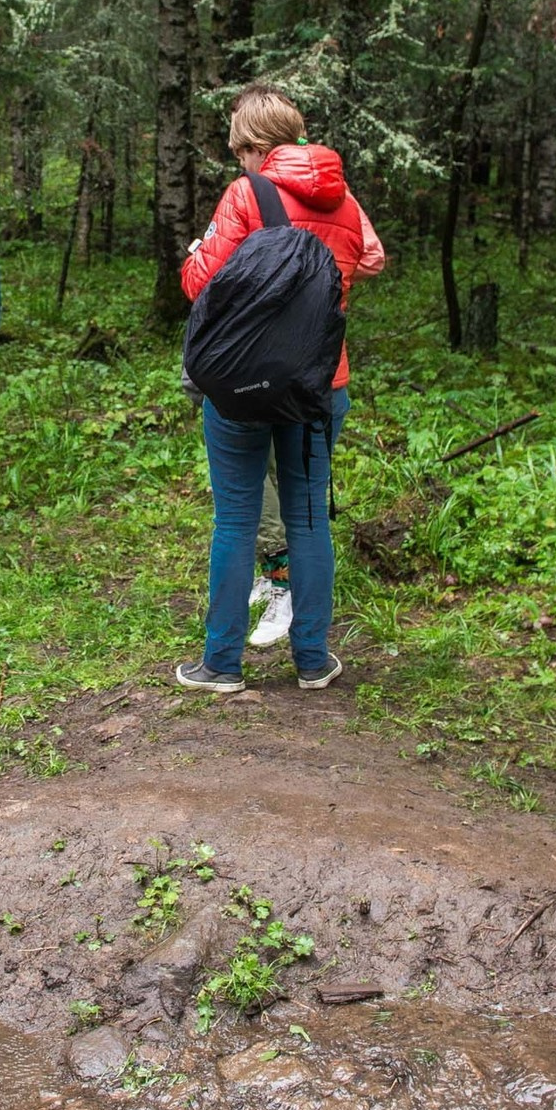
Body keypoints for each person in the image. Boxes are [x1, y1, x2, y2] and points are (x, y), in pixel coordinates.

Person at [175, 86, 385, 693]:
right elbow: (369, 260)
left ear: (249, 145)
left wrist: (200, 252)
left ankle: (221, 664)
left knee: (237, 519)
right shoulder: (343, 198)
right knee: (309, 517)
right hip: (320, 382)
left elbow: (198, 283)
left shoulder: (247, 193)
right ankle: (313, 661)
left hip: (244, 384)